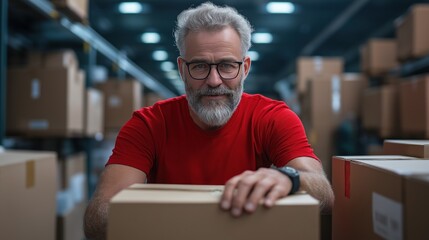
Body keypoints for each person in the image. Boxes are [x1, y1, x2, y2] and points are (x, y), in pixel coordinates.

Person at [84, 2, 334, 239]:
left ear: (245, 68)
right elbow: (97, 219)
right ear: (182, 69)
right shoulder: (149, 125)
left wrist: (289, 178)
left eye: (226, 66)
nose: (214, 81)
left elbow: (324, 192)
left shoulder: (272, 118)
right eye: (200, 66)